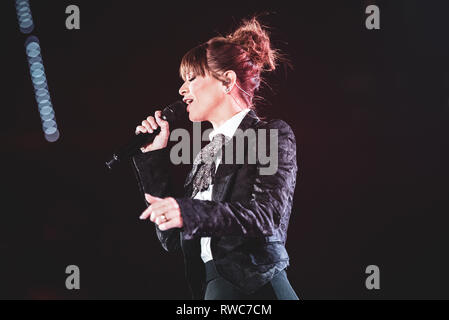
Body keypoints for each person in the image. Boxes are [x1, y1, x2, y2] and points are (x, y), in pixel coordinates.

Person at [131, 17, 299, 300]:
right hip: (212, 287)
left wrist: (190, 211)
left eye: (192, 79)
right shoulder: (205, 157)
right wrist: (153, 158)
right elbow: (172, 239)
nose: (182, 91)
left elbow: (266, 216)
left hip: (257, 288)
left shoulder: (270, 135)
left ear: (227, 81)